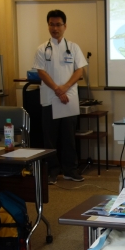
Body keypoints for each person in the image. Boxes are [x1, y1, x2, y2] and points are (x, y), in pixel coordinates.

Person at [33, 10, 87, 183]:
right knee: (50, 137)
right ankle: (52, 171)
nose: (54, 28)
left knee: (69, 137)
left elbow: (80, 70)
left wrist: (64, 88)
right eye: (51, 24)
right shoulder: (42, 49)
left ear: (65, 26)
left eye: (58, 24)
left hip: (68, 98)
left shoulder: (73, 47)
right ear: (48, 25)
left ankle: (70, 170)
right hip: (50, 98)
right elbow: (41, 72)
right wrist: (57, 89)